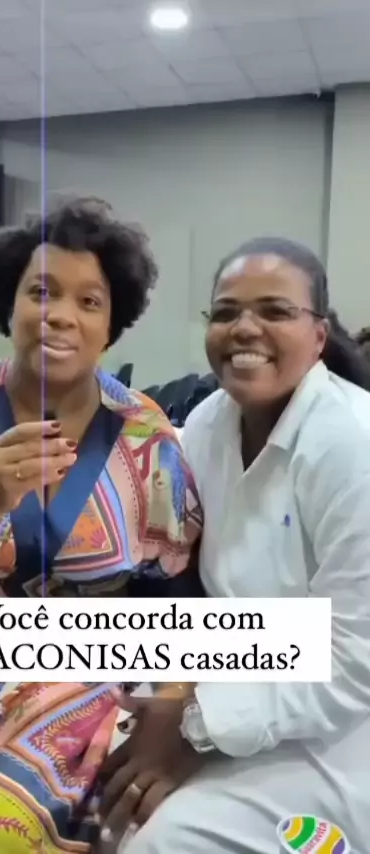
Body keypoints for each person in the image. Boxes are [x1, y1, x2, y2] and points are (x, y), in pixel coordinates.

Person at [0, 198, 202, 853]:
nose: (61, 314)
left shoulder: (145, 432)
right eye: (42, 292)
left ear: (112, 324)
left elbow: (180, 592)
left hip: (91, 670)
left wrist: (170, 706)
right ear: (10, 303)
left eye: (89, 301)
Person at [101, 237, 370, 854]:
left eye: (275, 311)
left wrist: (195, 726)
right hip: (231, 682)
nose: (245, 328)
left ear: (319, 335)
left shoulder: (353, 445)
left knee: (155, 840)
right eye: (225, 312)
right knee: (74, 767)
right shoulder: (206, 424)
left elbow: (354, 661)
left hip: (338, 734)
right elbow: (199, 601)